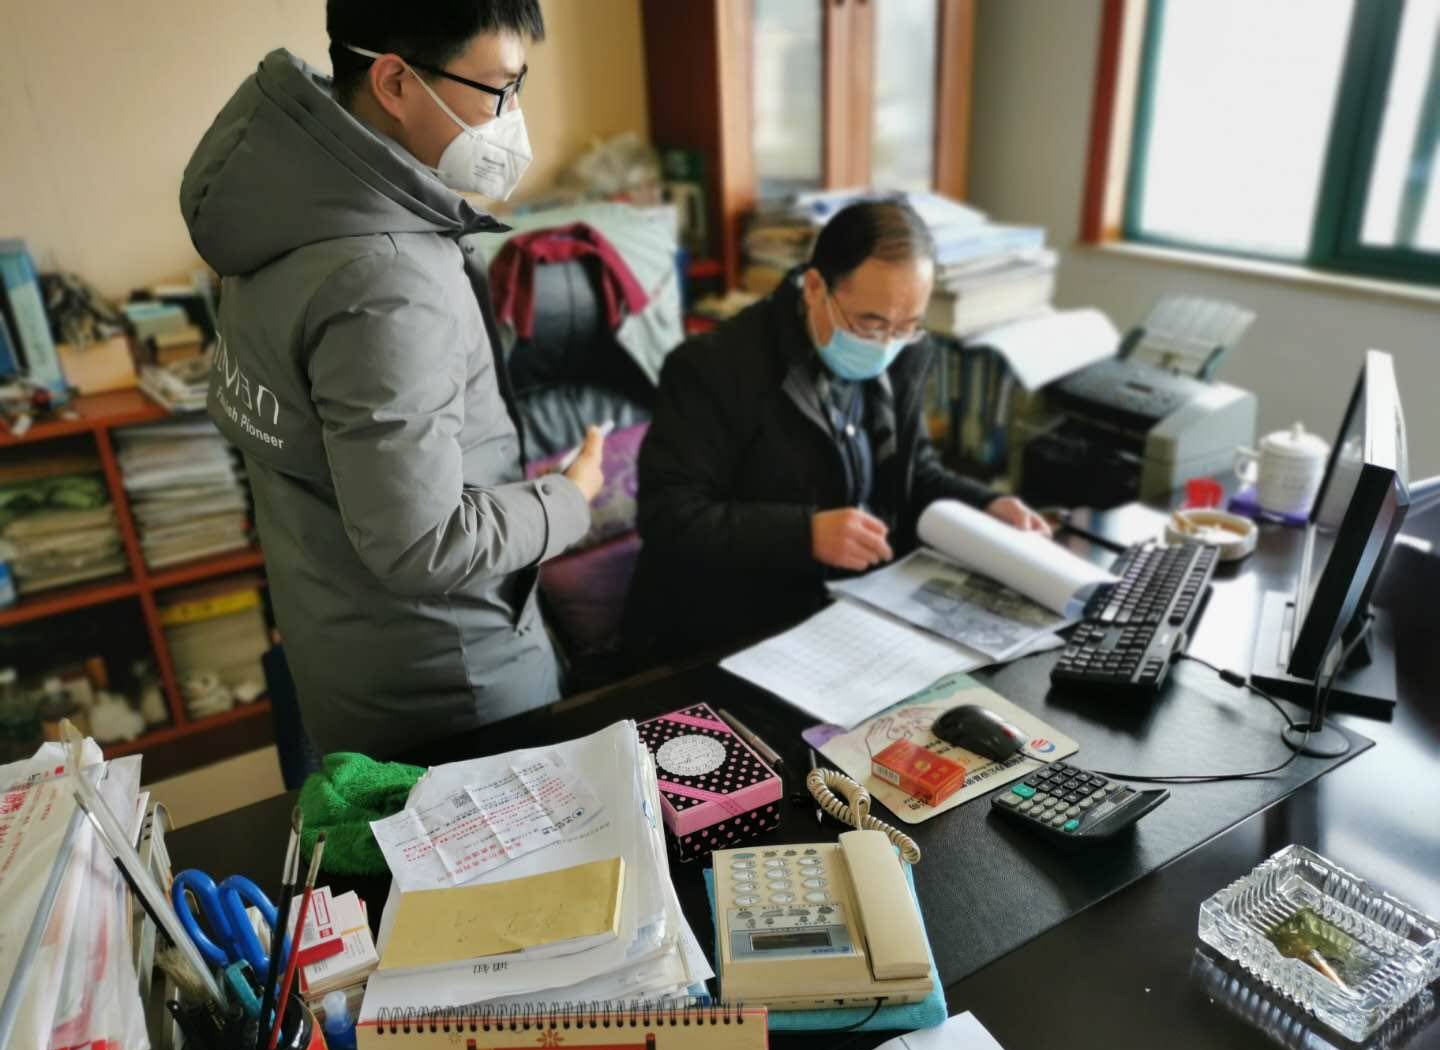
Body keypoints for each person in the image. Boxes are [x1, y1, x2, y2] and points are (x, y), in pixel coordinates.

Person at [180, 1, 604, 757]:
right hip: (450, 689)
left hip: (346, 651)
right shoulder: (386, 277)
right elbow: (423, 544)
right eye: (499, 88)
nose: (513, 117)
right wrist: (569, 501)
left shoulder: (285, 204)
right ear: (396, 82)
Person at [627, 199, 1050, 660]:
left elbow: (915, 473)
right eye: (869, 323)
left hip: (852, 605)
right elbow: (668, 517)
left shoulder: (905, 351)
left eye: (907, 326)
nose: (886, 344)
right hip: (730, 627)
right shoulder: (714, 367)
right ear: (814, 287)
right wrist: (804, 535)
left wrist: (986, 504)